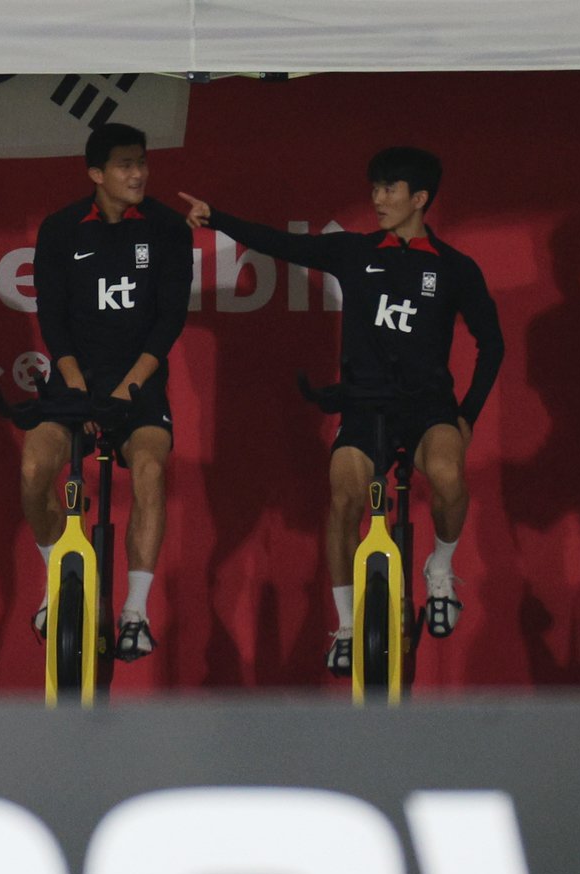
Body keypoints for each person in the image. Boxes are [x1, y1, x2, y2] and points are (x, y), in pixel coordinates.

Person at [179, 147, 504, 675]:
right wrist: (217, 218)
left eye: (389, 189)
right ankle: (348, 626)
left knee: (447, 473)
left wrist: (467, 414)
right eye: (374, 188)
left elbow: (493, 345)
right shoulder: (355, 252)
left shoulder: (455, 268)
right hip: (363, 405)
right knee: (344, 499)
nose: (377, 198)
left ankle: (439, 569)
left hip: (427, 409)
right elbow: (282, 244)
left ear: (418, 198)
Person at [23, 122, 192, 660]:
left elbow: (169, 320)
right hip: (74, 384)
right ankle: (58, 582)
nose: (137, 173)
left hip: (138, 387)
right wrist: (77, 389)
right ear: (96, 173)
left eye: (141, 162)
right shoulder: (61, 228)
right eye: (124, 165)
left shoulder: (168, 228)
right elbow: (52, 318)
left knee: (149, 472)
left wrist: (127, 389)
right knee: (32, 470)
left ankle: (135, 613)